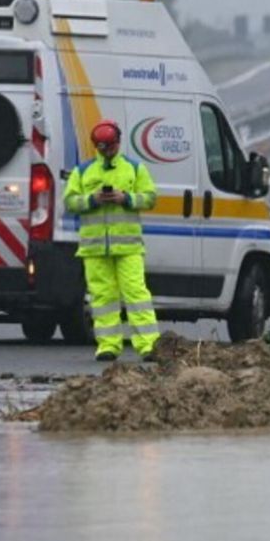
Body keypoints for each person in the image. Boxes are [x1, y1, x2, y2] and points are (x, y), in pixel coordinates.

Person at [63, 120, 161, 361]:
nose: (108, 151)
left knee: (136, 294)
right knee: (102, 298)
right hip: (95, 248)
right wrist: (92, 200)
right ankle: (108, 345)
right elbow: (70, 202)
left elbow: (150, 197)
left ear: (118, 143)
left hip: (128, 247)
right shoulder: (83, 171)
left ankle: (149, 345)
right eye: (103, 147)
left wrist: (126, 198)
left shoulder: (134, 169)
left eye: (111, 146)